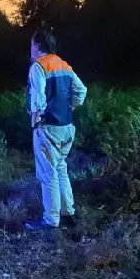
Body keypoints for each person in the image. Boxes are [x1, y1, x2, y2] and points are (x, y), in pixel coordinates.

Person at [25, 30, 88, 231]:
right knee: (61, 169)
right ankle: (68, 213)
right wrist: (69, 108)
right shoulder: (64, 65)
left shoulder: (38, 66)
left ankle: (51, 221)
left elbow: (38, 98)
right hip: (67, 127)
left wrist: (37, 118)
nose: (31, 49)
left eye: (32, 45)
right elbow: (81, 91)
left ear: (37, 46)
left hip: (48, 127)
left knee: (47, 174)